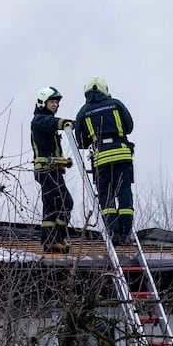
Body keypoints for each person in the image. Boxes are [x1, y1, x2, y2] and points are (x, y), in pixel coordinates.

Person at [73, 76, 135, 240]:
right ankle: (126, 230)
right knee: (124, 190)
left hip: (101, 159)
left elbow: (80, 141)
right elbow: (129, 127)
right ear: (104, 90)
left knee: (105, 194)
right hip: (122, 154)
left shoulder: (83, 112)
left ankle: (114, 232)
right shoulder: (116, 104)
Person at [30, 86, 74, 253]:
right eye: (52, 102)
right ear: (43, 102)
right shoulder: (39, 119)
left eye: (56, 102)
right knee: (63, 203)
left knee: (51, 205)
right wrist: (67, 124)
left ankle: (51, 242)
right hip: (46, 170)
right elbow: (52, 123)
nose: (55, 105)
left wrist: (63, 162)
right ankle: (56, 239)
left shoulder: (44, 121)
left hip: (51, 170)